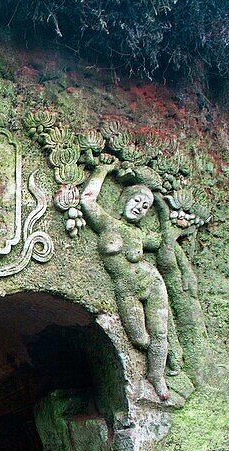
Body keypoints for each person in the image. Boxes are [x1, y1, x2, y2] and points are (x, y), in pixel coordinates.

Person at [80, 165, 171, 400]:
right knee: (140, 339)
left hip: (152, 283)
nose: (139, 208)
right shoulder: (108, 224)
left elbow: (163, 241)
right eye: (136, 201)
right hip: (126, 288)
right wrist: (102, 171)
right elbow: (88, 200)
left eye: (144, 207)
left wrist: (163, 209)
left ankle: (157, 376)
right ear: (125, 200)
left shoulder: (140, 234)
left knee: (160, 334)